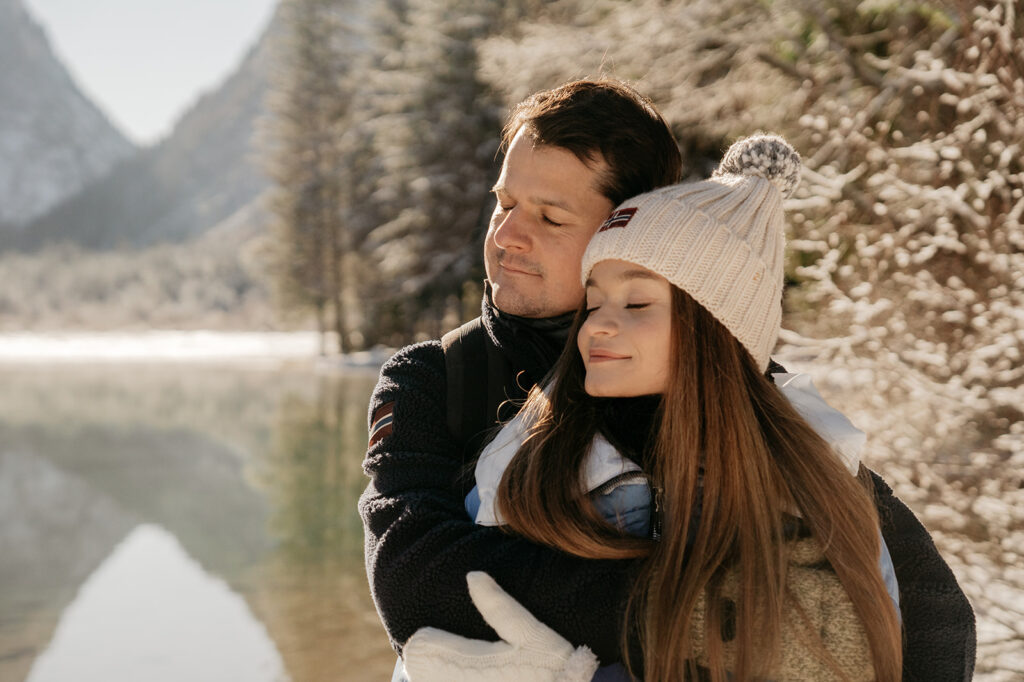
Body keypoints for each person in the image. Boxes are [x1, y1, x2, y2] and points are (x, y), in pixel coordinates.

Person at [360, 79, 976, 679]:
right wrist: (698, 622)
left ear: (629, 222)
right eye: (505, 202)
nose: (506, 236)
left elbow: (934, 621)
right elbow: (409, 572)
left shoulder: (737, 391)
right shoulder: (436, 377)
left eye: (550, 217)